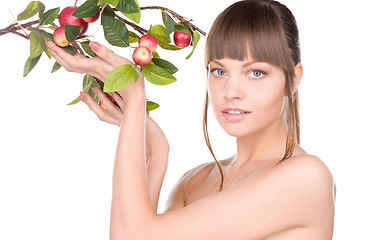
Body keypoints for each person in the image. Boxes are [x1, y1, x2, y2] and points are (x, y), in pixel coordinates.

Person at [45, 0, 336, 238]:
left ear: (293, 79)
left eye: (255, 72)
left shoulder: (307, 177)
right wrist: (156, 153)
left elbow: (137, 235)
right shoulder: (194, 181)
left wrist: (135, 103)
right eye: (219, 71)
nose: (230, 91)